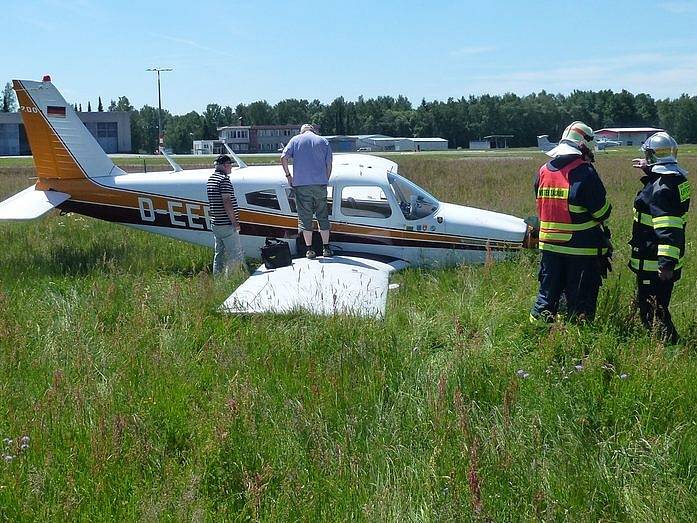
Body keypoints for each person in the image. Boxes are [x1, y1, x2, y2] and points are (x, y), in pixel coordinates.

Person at [530, 121, 612, 322]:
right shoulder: (585, 173)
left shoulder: (543, 171)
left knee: (547, 296)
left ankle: (536, 332)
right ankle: (577, 341)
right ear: (584, 145)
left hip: (549, 246)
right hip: (580, 250)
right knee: (580, 301)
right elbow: (602, 212)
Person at [629, 132, 690, 344]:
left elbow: (669, 229)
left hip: (654, 262)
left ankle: (671, 346)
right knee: (657, 306)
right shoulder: (675, 179)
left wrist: (665, 264)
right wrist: (650, 170)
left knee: (653, 312)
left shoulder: (661, 189)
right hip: (659, 260)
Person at [280, 124, 333, 259]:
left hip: (301, 185)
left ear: (301, 131)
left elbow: (283, 157)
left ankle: (310, 250)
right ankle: (326, 248)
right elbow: (329, 164)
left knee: (305, 218)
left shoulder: (295, 140)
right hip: (320, 184)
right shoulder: (323, 141)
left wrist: (288, 176)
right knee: (323, 216)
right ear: (313, 130)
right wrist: (325, 180)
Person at [207, 154, 246, 276]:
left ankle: (217, 277)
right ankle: (231, 278)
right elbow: (227, 201)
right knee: (235, 254)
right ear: (225, 165)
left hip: (215, 223)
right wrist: (235, 222)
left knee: (219, 253)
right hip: (226, 224)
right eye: (230, 164)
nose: (231, 167)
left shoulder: (211, 179)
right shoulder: (224, 180)